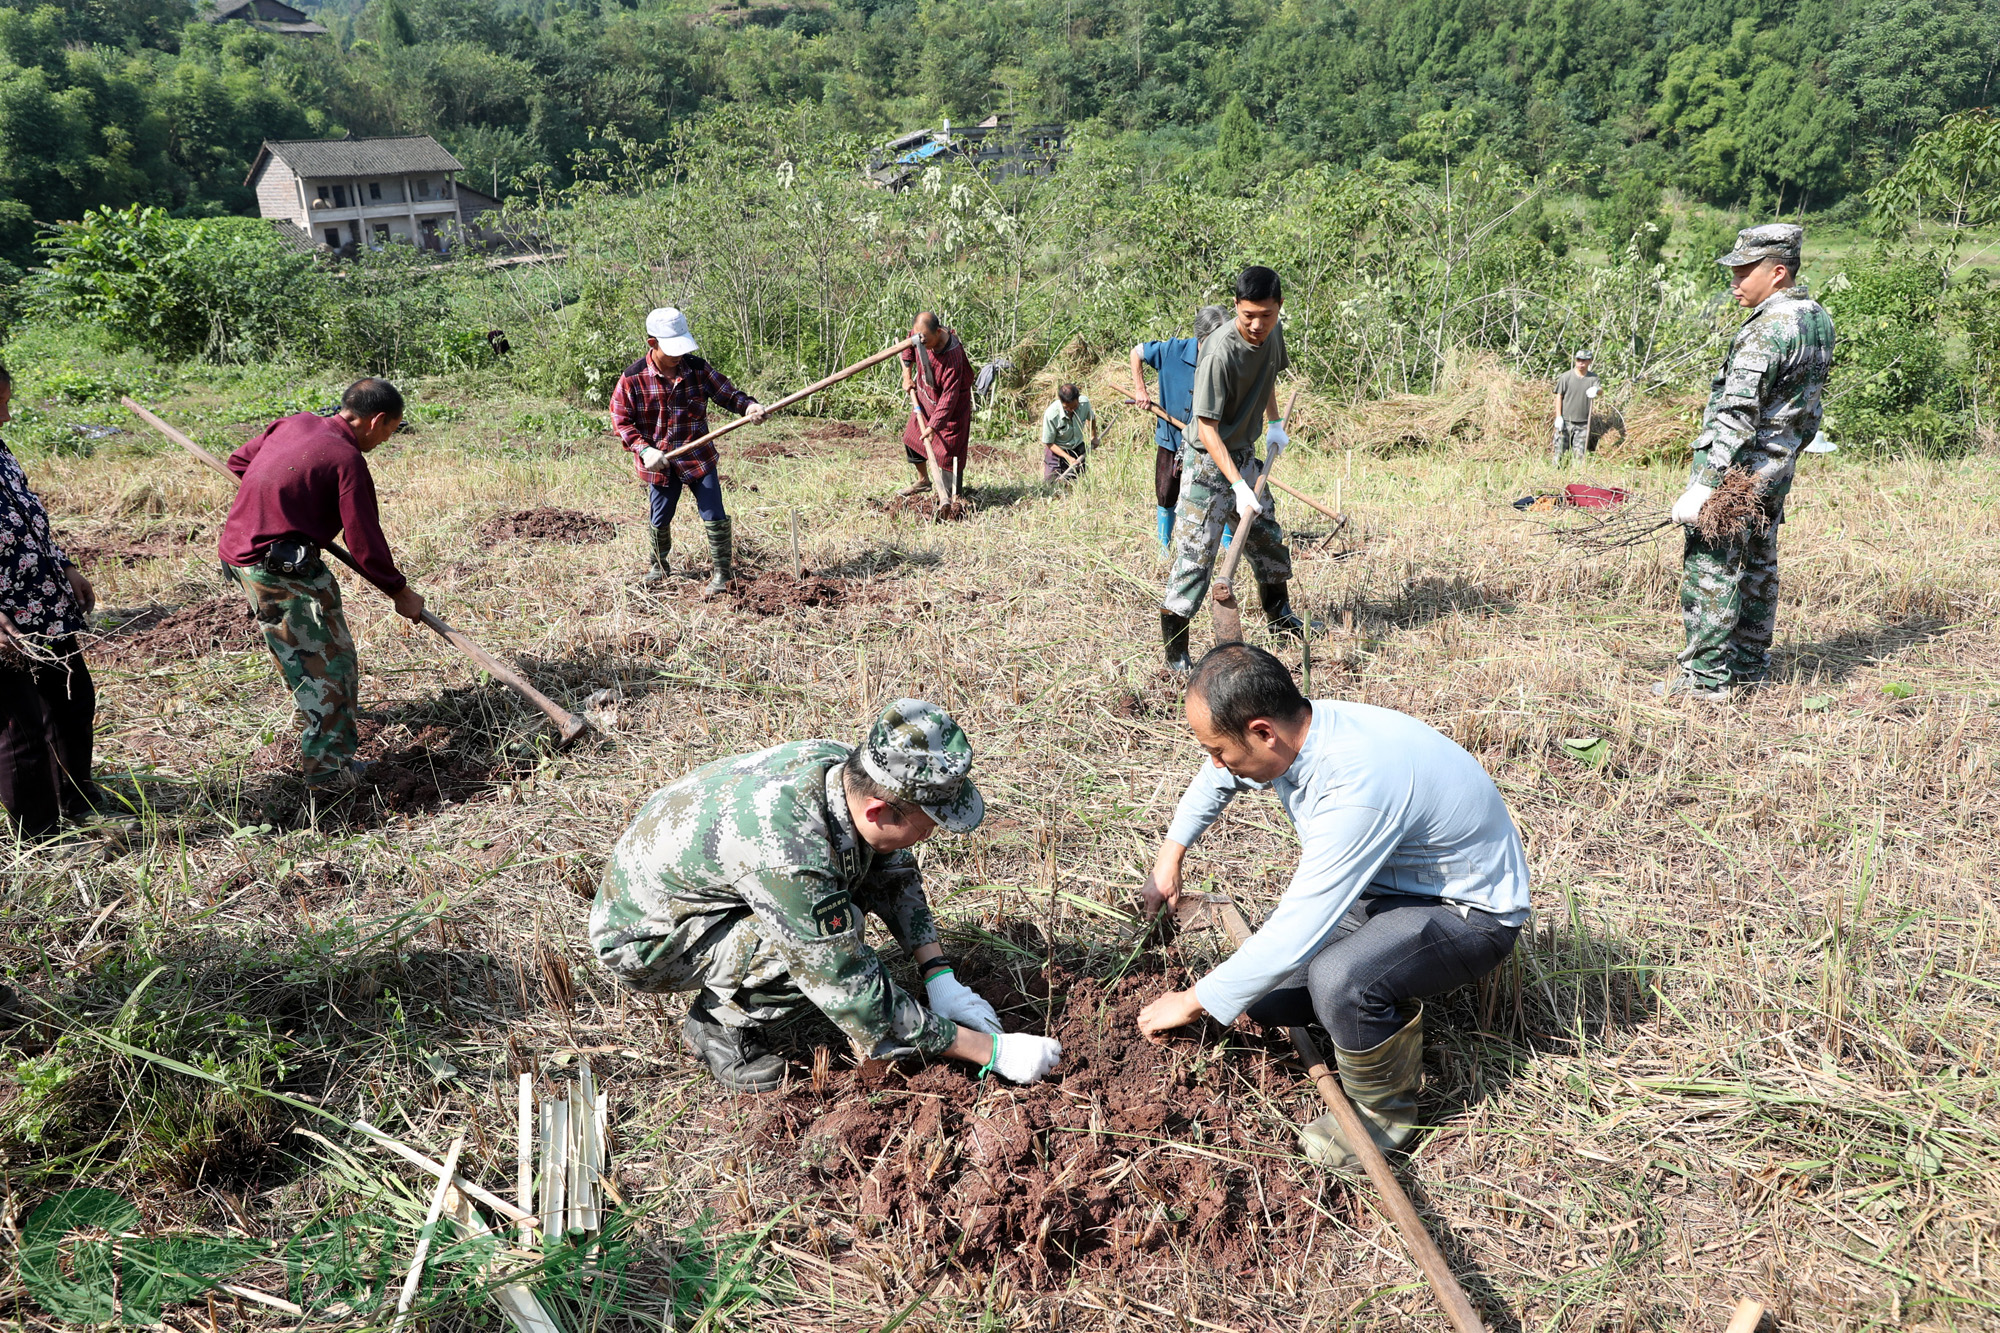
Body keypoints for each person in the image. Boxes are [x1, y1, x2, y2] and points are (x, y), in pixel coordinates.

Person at [1135, 645, 1530, 1168]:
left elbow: (1297, 929)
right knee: (1268, 999)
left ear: (1262, 732)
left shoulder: (1356, 786)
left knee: (1341, 980)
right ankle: (1386, 1000)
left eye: (1219, 749)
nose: (1215, 763)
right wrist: (1170, 857)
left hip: (1467, 911)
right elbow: (1217, 778)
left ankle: (1383, 1114)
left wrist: (1192, 999)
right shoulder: (1297, 731)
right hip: (1390, 890)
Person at [590, 700, 1063, 1093]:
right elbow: (848, 986)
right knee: (823, 940)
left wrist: (939, 976)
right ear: (880, 809)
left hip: (713, 882)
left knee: (859, 877)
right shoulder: (789, 853)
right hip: (648, 937)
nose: (932, 834)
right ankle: (717, 1022)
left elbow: (893, 869)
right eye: (930, 822)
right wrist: (990, 1051)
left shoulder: (848, 769)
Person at [218, 378, 425, 789]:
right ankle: (328, 772)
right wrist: (401, 593)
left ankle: (312, 717)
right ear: (377, 420)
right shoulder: (346, 460)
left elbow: (238, 463)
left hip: (239, 554)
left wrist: (288, 503)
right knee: (331, 666)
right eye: (390, 430)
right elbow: (364, 543)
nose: (386, 440)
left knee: (307, 654)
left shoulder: (295, 423)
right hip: (275, 570)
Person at [1657, 224, 1834, 701]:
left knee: (1712, 566)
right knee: (1758, 563)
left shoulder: (1768, 329)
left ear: (1777, 273)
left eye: (1743, 270)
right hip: (1778, 466)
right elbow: (1809, 407)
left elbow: (1737, 414)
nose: (1734, 281)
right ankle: (1750, 664)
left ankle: (1705, 679)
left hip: (1738, 471)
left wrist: (1705, 485)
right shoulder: (1815, 317)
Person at [1160, 267, 1313, 675]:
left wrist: (1275, 423)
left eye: (1266, 314)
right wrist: (1238, 486)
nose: (1257, 325)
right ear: (1236, 309)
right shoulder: (1218, 352)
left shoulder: (1272, 333)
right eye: (1248, 316)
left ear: (1279, 307)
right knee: (1196, 558)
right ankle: (1176, 652)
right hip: (1207, 461)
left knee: (1267, 538)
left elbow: (1267, 380)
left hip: (1243, 451)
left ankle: (1279, 614)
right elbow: (1207, 429)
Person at [0, 361, 108, 835]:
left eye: (5, 403)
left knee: (71, 698)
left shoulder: (0, 450)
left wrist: (64, 565)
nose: (4, 417)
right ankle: (40, 835)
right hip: (5, 621)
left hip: (41, 601)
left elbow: (27, 519)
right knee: (19, 728)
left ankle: (78, 800)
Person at [610, 307, 766, 594]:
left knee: (714, 513)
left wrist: (749, 407)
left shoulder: (697, 369)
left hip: (698, 458)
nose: (678, 355)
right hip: (661, 462)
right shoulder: (632, 379)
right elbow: (621, 422)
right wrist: (644, 450)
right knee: (660, 517)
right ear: (652, 343)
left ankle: (722, 574)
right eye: (671, 349)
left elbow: (727, 394)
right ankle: (659, 566)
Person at [1131, 305, 1231, 551]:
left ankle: (1227, 546)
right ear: (1201, 337)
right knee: (1166, 492)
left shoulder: (1227, 358)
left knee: (1223, 492)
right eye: (1214, 340)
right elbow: (1137, 352)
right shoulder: (1171, 351)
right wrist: (1140, 389)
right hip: (1171, 435)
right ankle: (1164, 545)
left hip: (1211, 439)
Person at [898, 312, 973, 500]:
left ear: (938, 332)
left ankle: (953, 497)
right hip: (925, 397)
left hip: (951, 410)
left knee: (949, 454)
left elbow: (949, 396)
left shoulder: (953, 355)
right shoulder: (920, 335)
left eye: (925, 341)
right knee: (912, 438)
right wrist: (907, 376)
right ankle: (923, 481)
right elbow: (908, 347)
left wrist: (933, 425)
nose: (921, 344)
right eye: (919, 339)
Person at [1039, 383, 1096, 482]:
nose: (1071, 410)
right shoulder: (1051, 414)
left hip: (1077, 448)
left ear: (1078, 399)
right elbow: (1049, 443)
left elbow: (1092, 418)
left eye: (1074, 407)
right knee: (1052, 486)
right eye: (1067, 407)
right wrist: (1068, 458)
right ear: (1061, 402)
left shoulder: (1084, 403)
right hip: (1057, 452)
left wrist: (1094, 436)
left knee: (1077, 483)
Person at [1550, 350, 1599, 466]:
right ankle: (1555, 476)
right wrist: (1558, 417)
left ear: (1589, 361)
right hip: (1566, 421)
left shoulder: (1593, 378)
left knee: (1579, 455)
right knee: (1559, 452)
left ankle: (1576, 478)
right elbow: (1559, 396)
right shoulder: (1566, 377)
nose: (1580, 363)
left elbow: (1600, 389)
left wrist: (1596, 390)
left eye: (1584, 360)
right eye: (1578, 360)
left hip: (1583, 423)